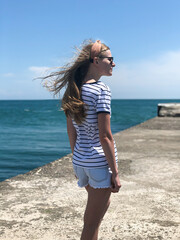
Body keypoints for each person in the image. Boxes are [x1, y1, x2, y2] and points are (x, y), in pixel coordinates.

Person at [43, 39, 121, 240]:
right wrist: (115, 172)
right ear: (96, 61)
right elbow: (105, 136)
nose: (114, 63)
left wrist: (77, 159)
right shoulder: (101, 90)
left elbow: (72, 133)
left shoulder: (74, 90)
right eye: (110, 59)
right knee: (91, 223)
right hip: (98, 163)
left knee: (94, 215)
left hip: (81, 162)